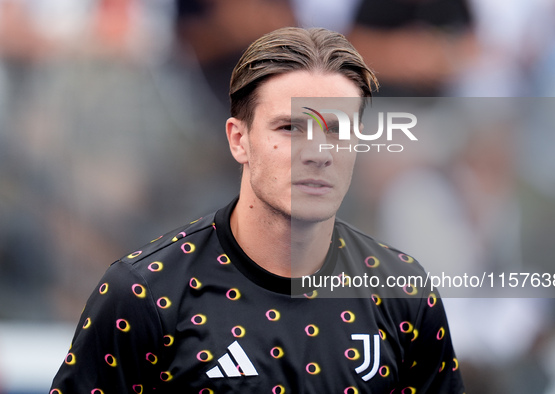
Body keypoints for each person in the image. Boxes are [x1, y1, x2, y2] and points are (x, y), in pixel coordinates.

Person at [50, 27, 464, 393]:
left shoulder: (404, 291)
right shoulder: (144, 293)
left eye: (338, 131)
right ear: (239, 139)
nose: (318, 153)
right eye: (290, 128)